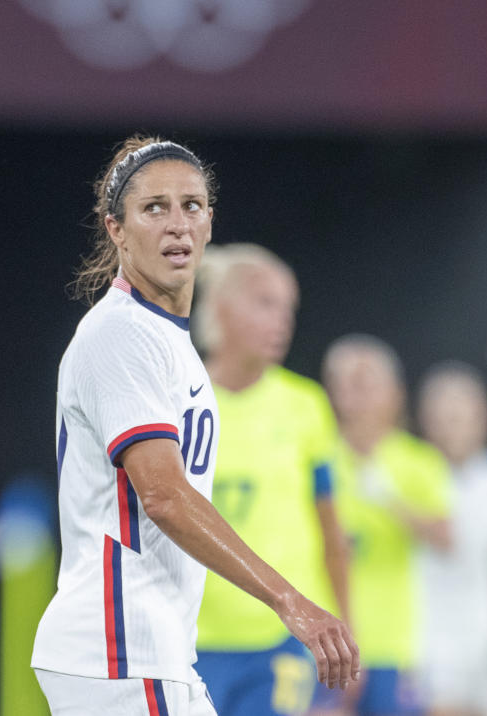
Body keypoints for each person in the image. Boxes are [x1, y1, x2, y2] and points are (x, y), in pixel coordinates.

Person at [31, 136, 359, 716]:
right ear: (116, 230)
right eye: (153, 208)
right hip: (122, 644)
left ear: (210, 223)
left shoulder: (166, 341)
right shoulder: (122, 334)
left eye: (192, 205)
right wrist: (289, 600)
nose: (177, 223)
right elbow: (162, 496)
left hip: (149, 648)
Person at [191, 244, 352, 716]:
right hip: (193, 640)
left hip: (282, 639)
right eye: (265, 303)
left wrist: (346, 628)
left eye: (288, 308)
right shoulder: (180, 402)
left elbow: (331, 532)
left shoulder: (307, 406)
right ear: (220, 307)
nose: (282, 320)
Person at [313, 335, 452, 716]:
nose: (355, 395)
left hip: (393, 641)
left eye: (366, 382)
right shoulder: (317, 455)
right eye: (344, 383)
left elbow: (446, 537)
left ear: (394, 392)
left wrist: (392, 501)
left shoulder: (417, 461)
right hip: (322, 637)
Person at [414, 363, 487, 716]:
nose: (453, 427)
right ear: (426, 421)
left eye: (462, 416)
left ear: (484, 419)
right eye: (444, 417)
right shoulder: (410, 472)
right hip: (429, 633)